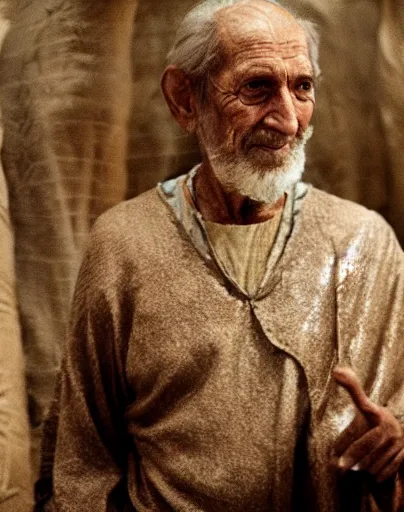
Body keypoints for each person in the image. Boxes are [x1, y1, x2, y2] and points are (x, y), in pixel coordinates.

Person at [45, 0, 404, 509]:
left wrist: (395, 445)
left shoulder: (363, 242)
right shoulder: (124, 243)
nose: (286, 119)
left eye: (302, 87)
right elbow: (83, 458)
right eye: (257, 87)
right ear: (185, 99)